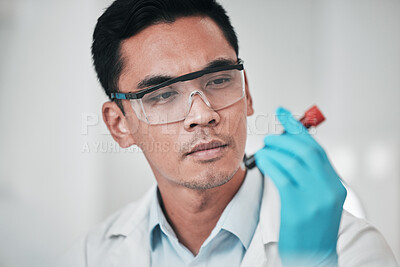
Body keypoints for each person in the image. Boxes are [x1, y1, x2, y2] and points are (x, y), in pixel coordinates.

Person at [62, 0, 397, 266]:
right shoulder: (90, 256)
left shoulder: (350, 250)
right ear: (119, 124)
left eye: (219, 80)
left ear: (246, 92)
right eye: (162, 94)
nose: (203, 114)